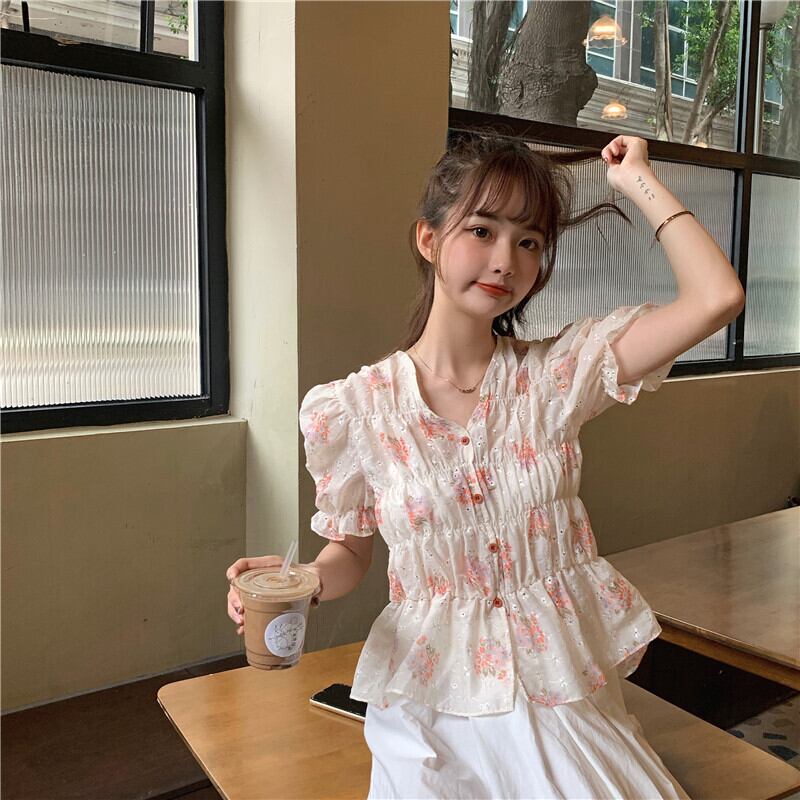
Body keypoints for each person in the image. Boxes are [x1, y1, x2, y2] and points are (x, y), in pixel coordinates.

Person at [226, 129, 745, 799]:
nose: (506, 261)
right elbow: (350, 552)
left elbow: (715, 298)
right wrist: (301, 581)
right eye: (482, 231)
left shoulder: (557, 376)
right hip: (431, 705)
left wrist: (635, 179)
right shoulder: (352, 410)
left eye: (529, 242)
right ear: (429, 239)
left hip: (558, 693)